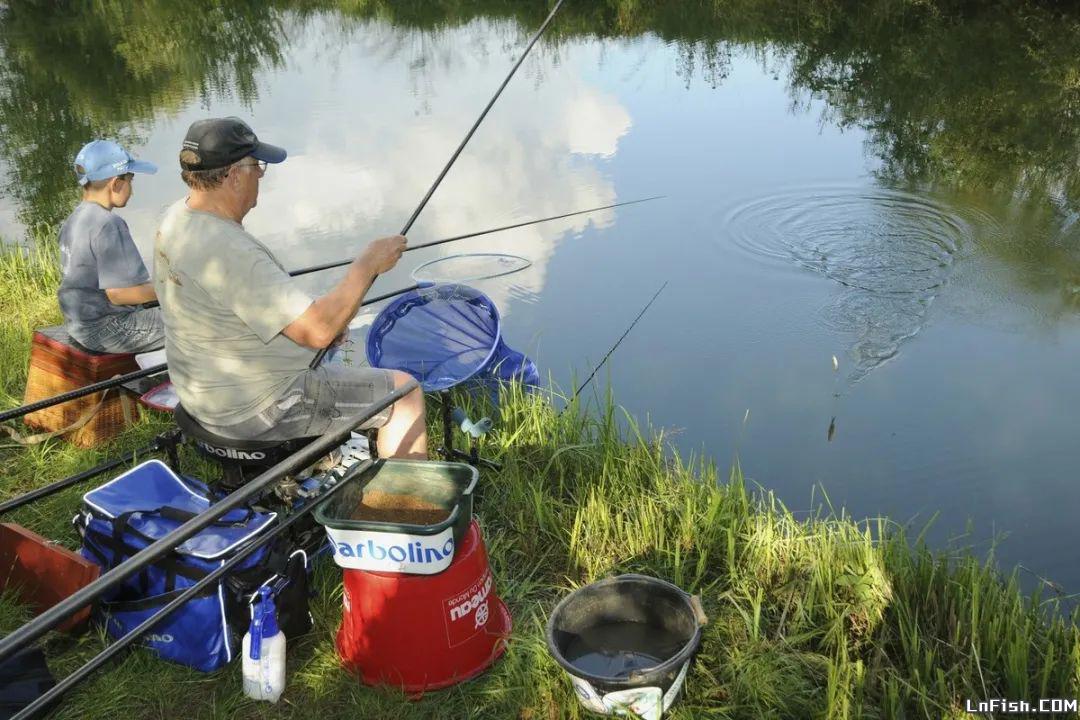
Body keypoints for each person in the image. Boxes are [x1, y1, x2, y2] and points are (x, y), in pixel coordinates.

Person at [154, 117, 426, 459]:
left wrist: (328, 323)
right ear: (235, 176)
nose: (261, 176)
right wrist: (368, 263)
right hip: (254, 409)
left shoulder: (176, 218)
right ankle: (409, 508)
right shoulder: (230, 250)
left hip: (201, 395)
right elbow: (317, 331)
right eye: (258, 167)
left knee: (330, 340)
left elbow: (243, 309)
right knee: (404, 393)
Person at [57, 140, 163, 353]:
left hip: (79, 323)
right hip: (109, 328)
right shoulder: (108, 224)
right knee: (196, 319)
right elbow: (119, 294)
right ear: (115, 183)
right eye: (131, 179)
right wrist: (173, 290)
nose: (131, 190)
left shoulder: (74, 219)